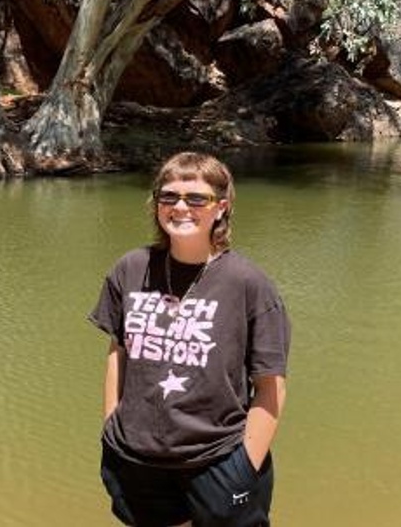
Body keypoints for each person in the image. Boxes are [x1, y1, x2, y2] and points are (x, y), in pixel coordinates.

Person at [89, 151, 290, 527]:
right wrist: (112, 427)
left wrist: (246, 464)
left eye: (196, 198)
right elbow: (118, 353)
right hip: (136, 456)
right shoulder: (131, 269)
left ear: (221, 208)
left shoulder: (249, 284)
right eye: (169, 197)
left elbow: (270, 387)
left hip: (218, 457)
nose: (180, 207)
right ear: (156, 204)